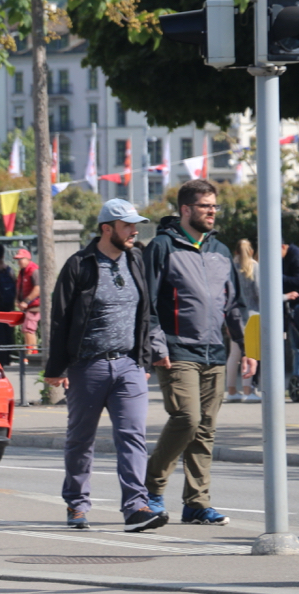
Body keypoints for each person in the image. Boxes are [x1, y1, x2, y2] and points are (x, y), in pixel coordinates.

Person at [44, 199, 169, 532]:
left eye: (135, 225)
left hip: (129, 365)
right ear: (106, 229)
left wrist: (143, 359)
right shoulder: (80, 265)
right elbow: (60, 319)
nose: (134, 230)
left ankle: (136, 507)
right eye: (127, 225)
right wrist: (55, 368)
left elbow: (146, 312)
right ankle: (77, 504)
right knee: (81, 440)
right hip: (88, 366)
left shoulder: (136, 260)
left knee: (133, 437)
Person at [142, 179, 250, 527]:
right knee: (186, 419)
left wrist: (247, 349)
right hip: (176, 350)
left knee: (205, 429)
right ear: (186, 210)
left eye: (214, 206)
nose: (212, 212)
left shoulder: (219, 251)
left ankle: (197, 503)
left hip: (214, 353)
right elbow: (148, 304)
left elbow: (235, 306)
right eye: (205, 206)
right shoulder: (161, 247)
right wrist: (157, 346)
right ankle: (152, 490)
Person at [227, 239, 260, 403]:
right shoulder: (255, 267)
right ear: (251, 251)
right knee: (250, 353)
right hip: (252, 314)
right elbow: (260, 292)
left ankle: (231, 390)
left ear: (236, 252)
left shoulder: (230, 267)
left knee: (234, 355)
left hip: (234, 315)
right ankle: (248, 390)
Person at [14, 248, 42, 354]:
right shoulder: (22, 271)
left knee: (28, 329)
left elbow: (38, 288)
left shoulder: (33, 270)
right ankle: (32, 354)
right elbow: (20, 287)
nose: (19, 262)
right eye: (18, 259)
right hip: (29, 307)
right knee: (27, 330)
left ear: (28, 259)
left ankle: (30, 355)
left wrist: (26, 301)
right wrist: (17, 300)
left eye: (21, 259)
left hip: (34, 306)